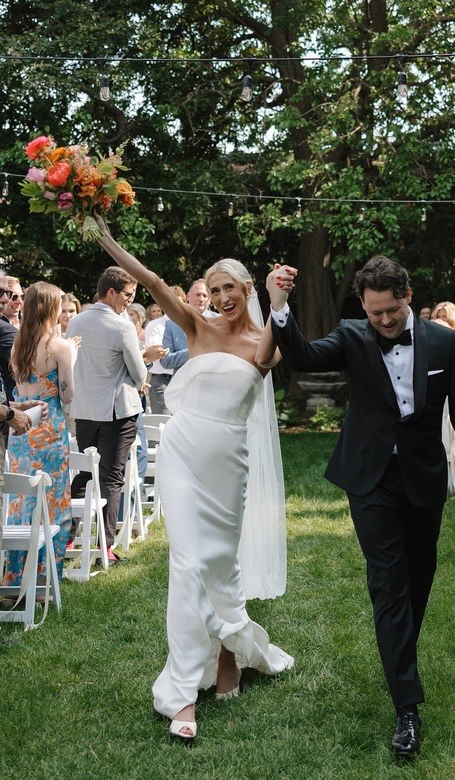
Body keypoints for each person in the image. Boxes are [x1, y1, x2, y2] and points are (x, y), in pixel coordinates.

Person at [267, 255, 455, 761]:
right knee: (388, 581)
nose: (384, 320)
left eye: (391, 310)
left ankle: (398, 653)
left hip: (424, 477)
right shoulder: (351, 335)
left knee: (418, 577)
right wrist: (279, 306)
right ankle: (407, 707)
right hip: (370, 477)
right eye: (374, 312)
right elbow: (302, 355)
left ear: (407, 297)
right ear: (363, 306)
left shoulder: (442, 342)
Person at [94, 216, 293, 743]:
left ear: (246, 291)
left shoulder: (264, 341)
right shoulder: (196, 327)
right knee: (186, 563)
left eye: (231, 289)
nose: (222, 298)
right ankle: (180, 691)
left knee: (221, 564)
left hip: (228, 463)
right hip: (181, 454)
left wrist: (278, 299)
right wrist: (107, 240)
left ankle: (229, 658)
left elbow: (269, 353)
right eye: (215, 289)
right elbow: (153, 281)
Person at [67, 267, 148, 566]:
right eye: (127, 294)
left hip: (85, 410)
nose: (130, 300)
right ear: (111, 292)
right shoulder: (122, 326)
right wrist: (141, 376)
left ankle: (67, 537)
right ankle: (106, 548)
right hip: (117, 411)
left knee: (86, 472)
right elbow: (139, 373)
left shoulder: (75, 320)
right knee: (112, 478)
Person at [3, 282, 77, 585]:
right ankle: (45, 576)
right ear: (52, 308)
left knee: (22, 499)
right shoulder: (59, 346)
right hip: (50, 429)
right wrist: (73, 357)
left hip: (21, 431)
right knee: (52, 498)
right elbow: (67, 395)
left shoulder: (18, 344)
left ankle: (16, 575)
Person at [161, 280, 215, 375]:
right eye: (198, 295)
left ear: (210, 300)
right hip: (184, 381)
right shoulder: (172, 324)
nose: (201, 299)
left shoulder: (220, 321)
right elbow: (166, 361)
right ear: (188, 297)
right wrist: (193, 350)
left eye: (205, 296)